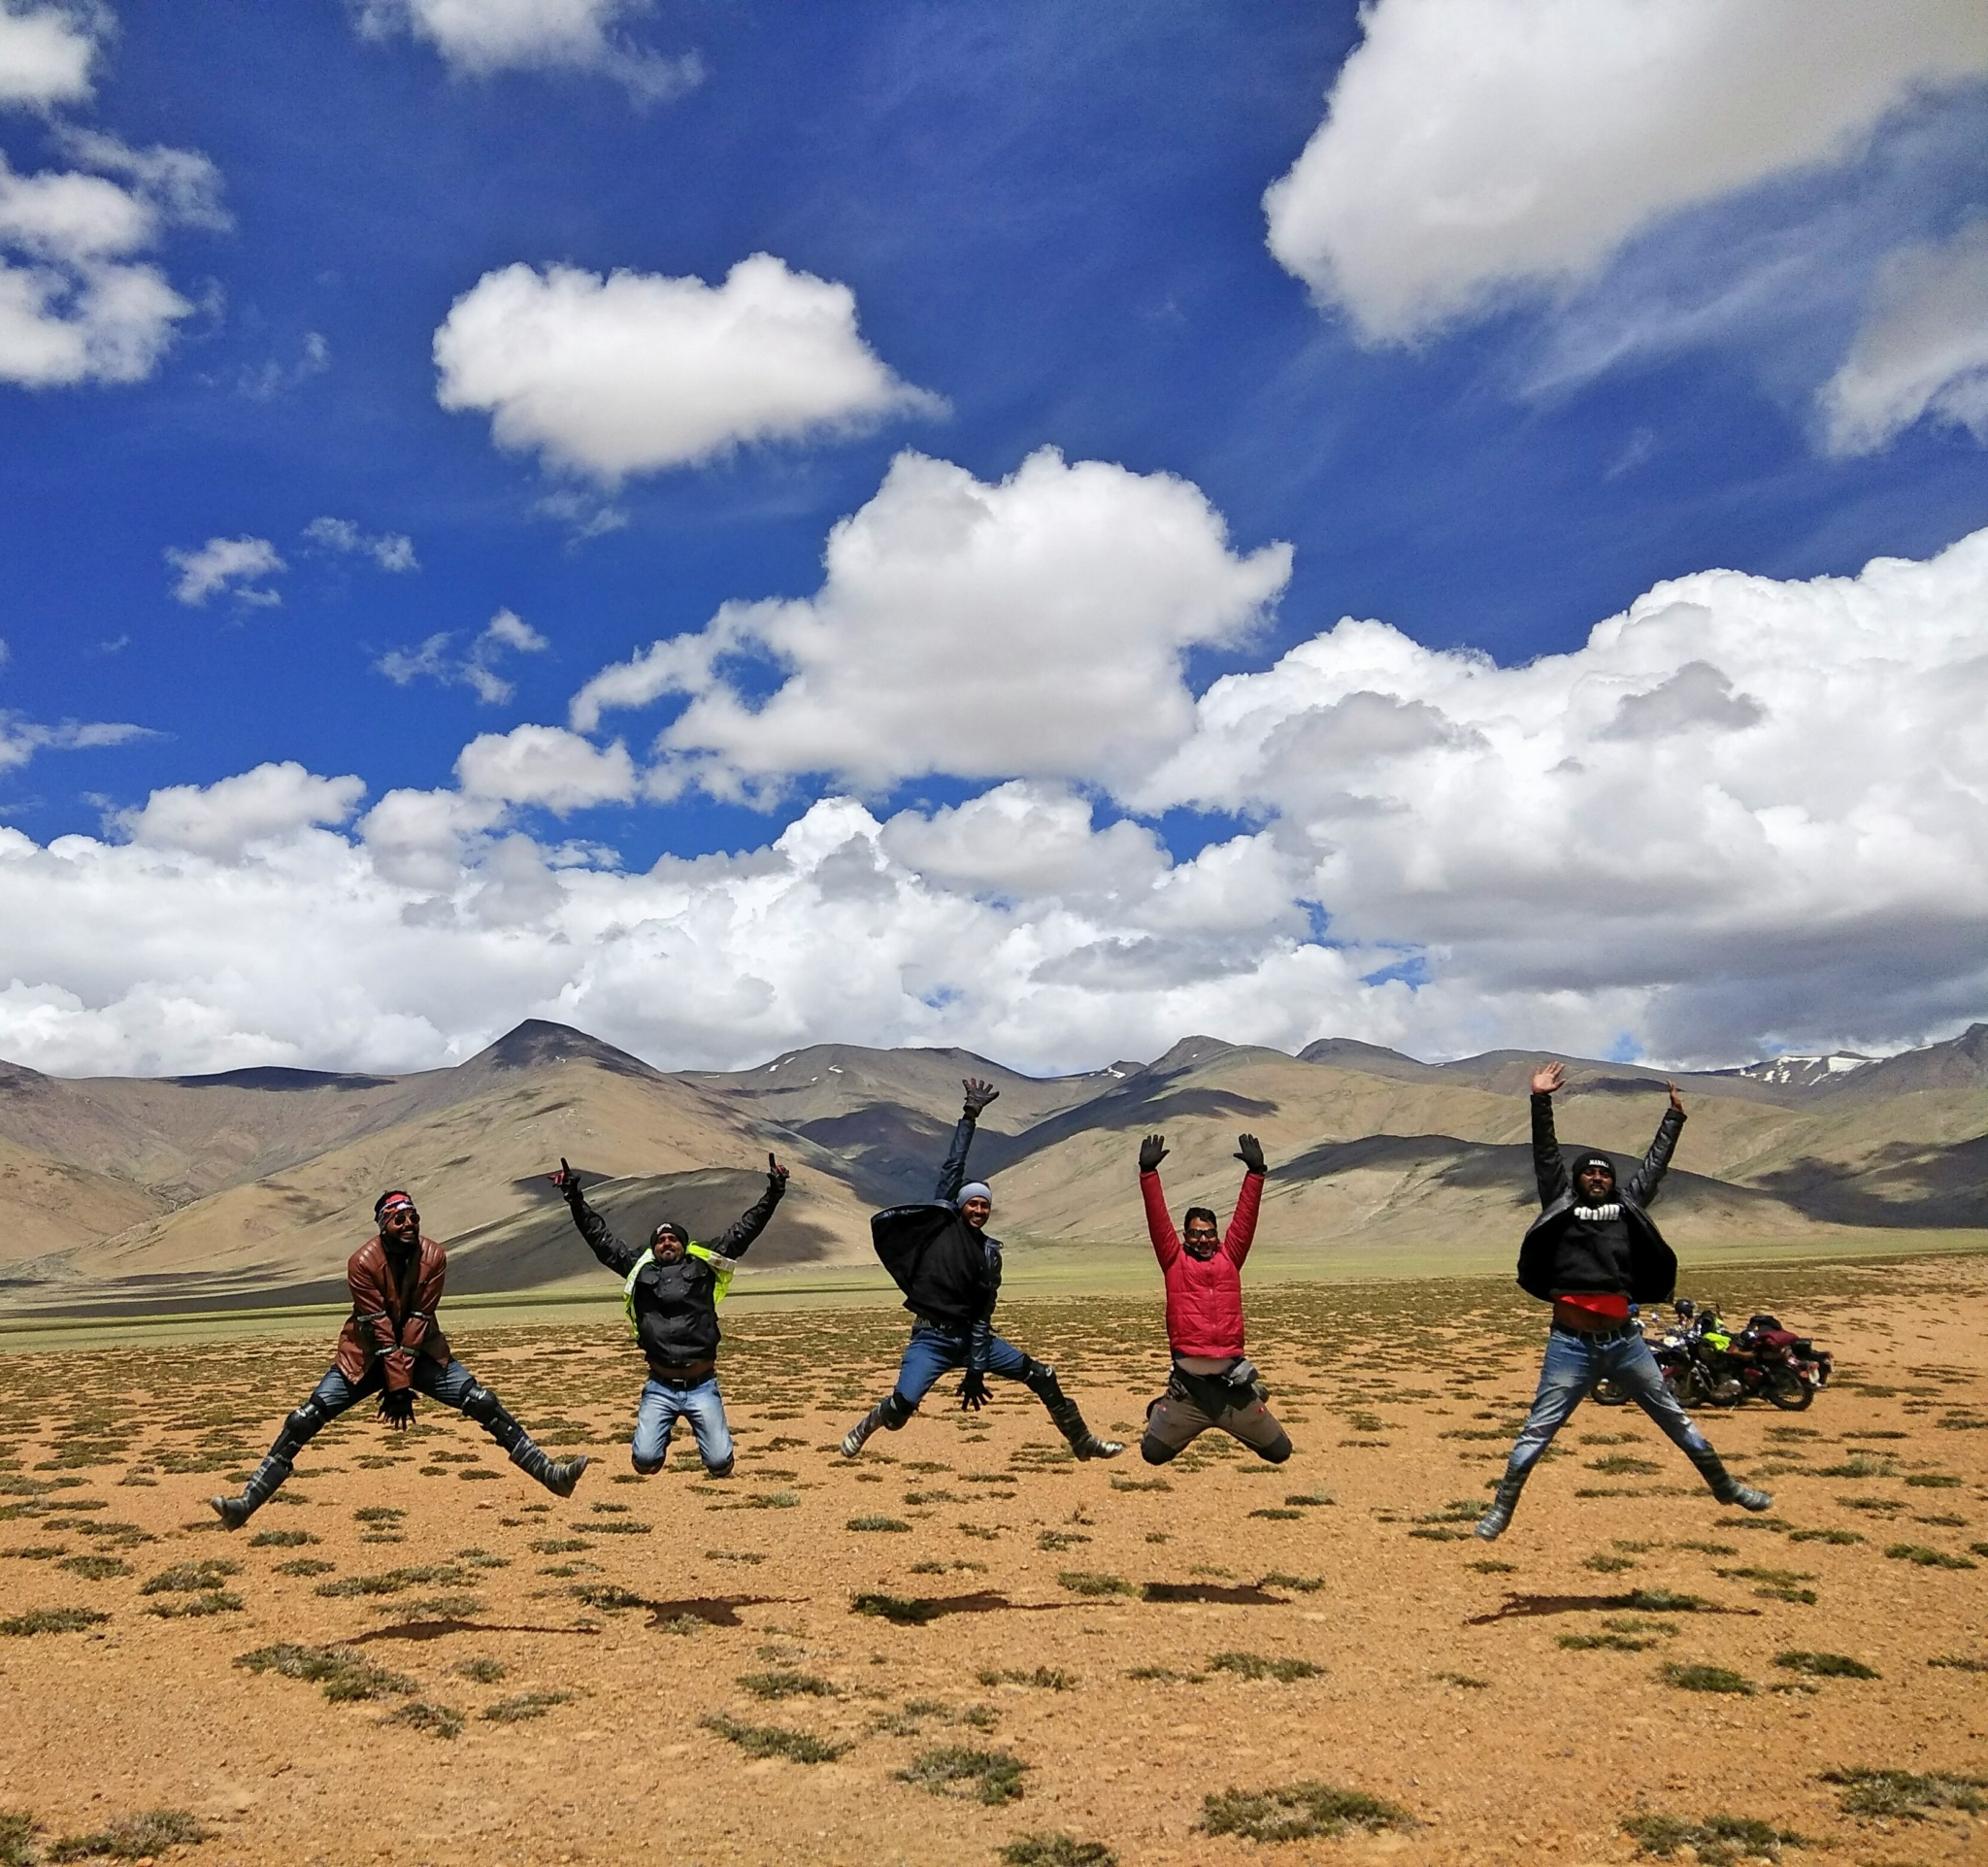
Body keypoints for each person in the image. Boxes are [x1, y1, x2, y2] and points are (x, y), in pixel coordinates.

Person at [1474, 1062, 1770, 1541]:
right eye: (1589, 1172)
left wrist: (1674, 1118)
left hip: (1625, 1344)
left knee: (1675, 1417)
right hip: (1570, 1345)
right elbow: (1545, 1154)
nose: (1597, 1177)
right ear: (1577, 1179)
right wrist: (1539, 1099)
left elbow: (1655, 1166)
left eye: (1604, 1173)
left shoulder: (1629, 1207)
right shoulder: (1562, 1204)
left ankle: (1726, 1486)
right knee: (1539, 1428)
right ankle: (1501, 1508)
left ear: (1612, 1181)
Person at [211, 1188, 586, 1528]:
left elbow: (420, 1318)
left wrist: (401, 1385)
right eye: (399, 1219)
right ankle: (247, 1503)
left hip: (421, 1350)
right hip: (364, 1355)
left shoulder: (434, 1256)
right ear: (383, 1225)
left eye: (413, 1217)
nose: (409, 1224)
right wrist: (397, 1386)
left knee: (483, 1402)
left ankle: (549, 1474)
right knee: (304, 1419)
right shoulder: (362, 1262)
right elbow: (378, 1328)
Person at [840, 1078, 1122, 1461]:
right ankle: (869, 1423)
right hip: (931, 1339)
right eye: (972, 1203)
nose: (978, 1210)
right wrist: (970, 1116)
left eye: (984, 1205)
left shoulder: (990, 1254)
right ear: (960, 1205)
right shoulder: (942, 1223)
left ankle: (1082, 1440)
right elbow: (952, 1166)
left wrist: (976, 1369)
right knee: (901, 1409)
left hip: (972, 1338)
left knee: (1043, 1375)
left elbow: (981, 1314)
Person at [550, 1152, 788, 1478]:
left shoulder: (704, 1263)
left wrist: (774, 1192)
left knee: (720, 1465)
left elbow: (745, 1230)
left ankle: (714, 1449)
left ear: (684, 1245)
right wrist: (574, 1198)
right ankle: (657, 1440)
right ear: (653, 1248)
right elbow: (599, 1238)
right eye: (660, 1240)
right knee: (644, 1462)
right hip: (660, 1384)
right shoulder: (637, 1268)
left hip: (702, 1383)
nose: (667, 1243)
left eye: (673, 1238)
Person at [1136, 1131, 1291, 1466]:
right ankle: (1160, 1408)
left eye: (1209, 1233)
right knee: (1153, 1454)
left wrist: (1256, 1173)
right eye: (1196, 1233)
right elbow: (1158, 1220)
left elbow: (1245, 1220)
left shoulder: (1230, 1257)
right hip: (1188, 1390)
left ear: (1216, 1235)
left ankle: (1253, 1396)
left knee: (1279, 1452)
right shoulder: (1174, 1260)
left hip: (1231, 1387)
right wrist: (1148, 1174)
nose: (1203, 1239)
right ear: (1185, 1235)